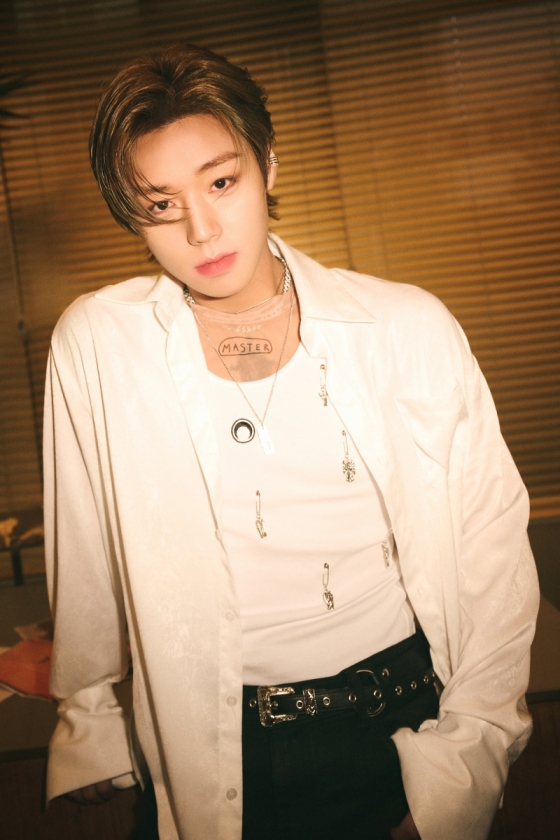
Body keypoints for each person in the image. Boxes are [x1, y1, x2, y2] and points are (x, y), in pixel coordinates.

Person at [43, 42, 539, 840]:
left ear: (267, 163)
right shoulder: (100, 341)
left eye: (221, 182)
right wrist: (90, 715)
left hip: (401, 733)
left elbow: (492, 555)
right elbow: (87, 541)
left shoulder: (404, 326)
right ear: (132, 216)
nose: (202, 229)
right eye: (162, 204)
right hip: (210, 742)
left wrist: (467, 760)